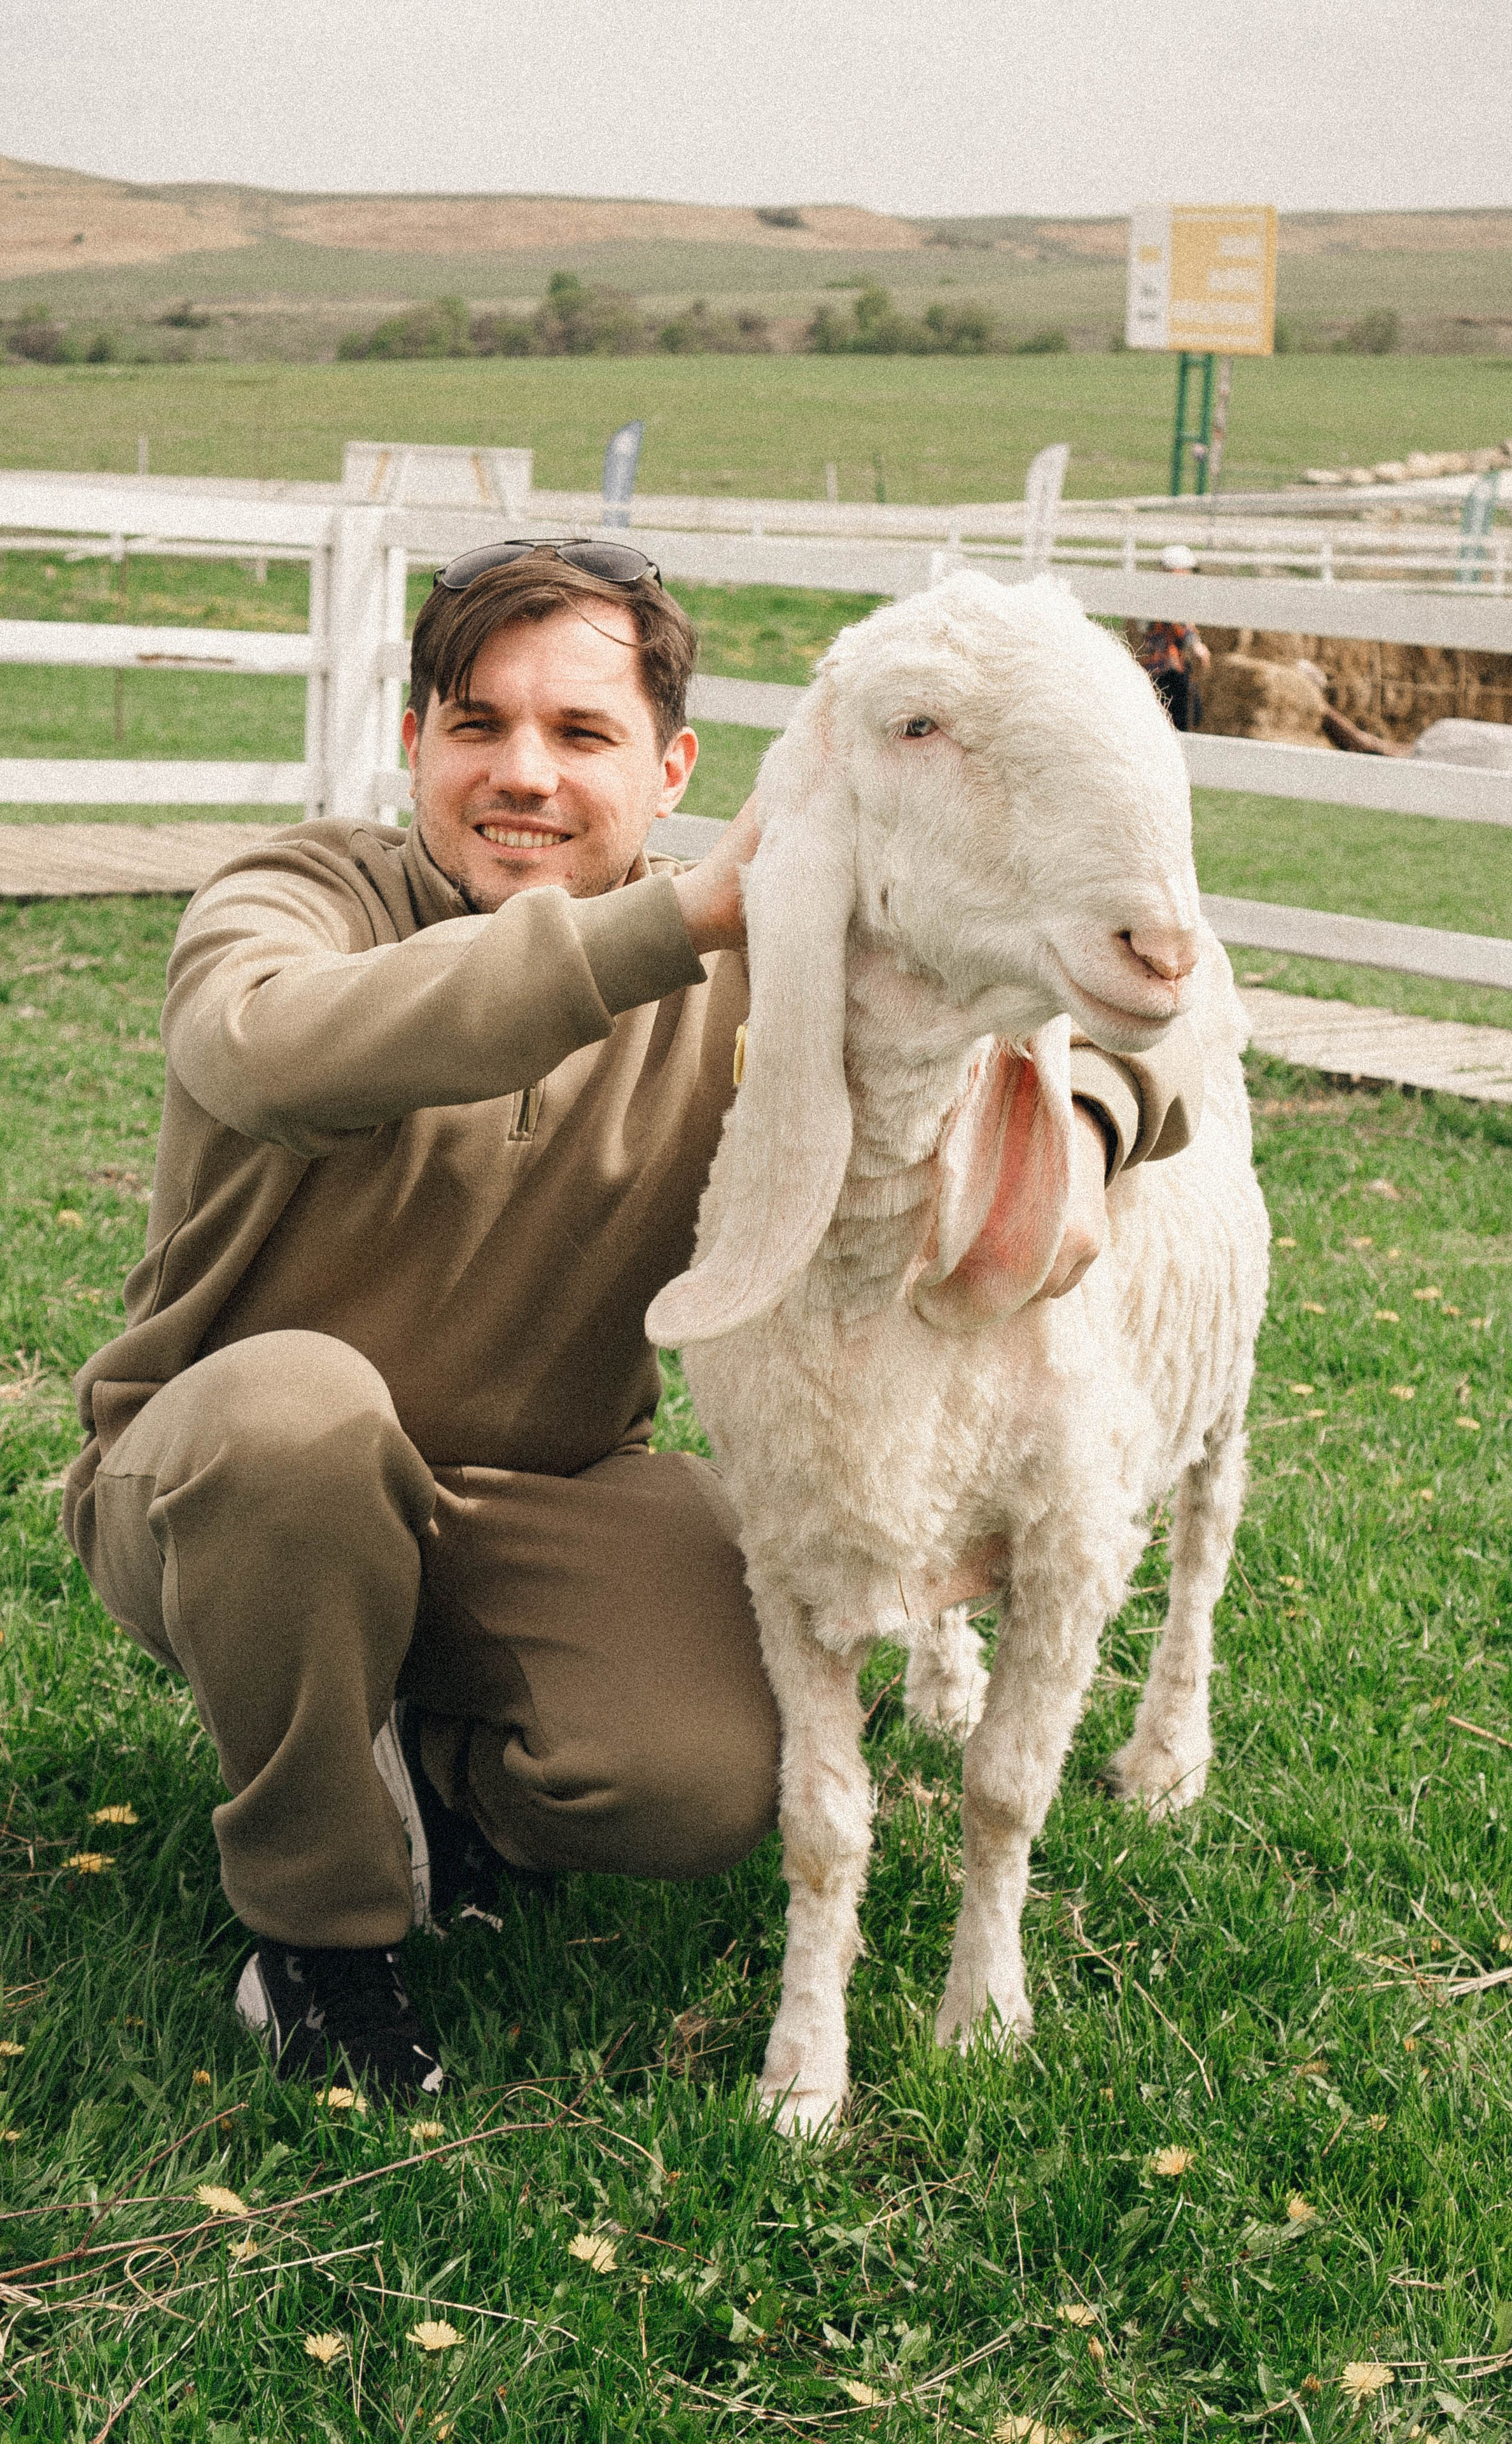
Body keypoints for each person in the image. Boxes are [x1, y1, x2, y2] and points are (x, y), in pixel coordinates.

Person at [63, 541, 1203, 2098]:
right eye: (478, 724)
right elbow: (265, 1048)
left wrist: (1081, 1099)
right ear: (414, 745)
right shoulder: (300, 895)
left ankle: (424, 1765)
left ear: (670, 767)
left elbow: (1083, 995)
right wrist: (659, 935)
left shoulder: (754, 949)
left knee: (705, 1773)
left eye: (580, 734)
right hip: (228, 1484)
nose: (521, 772)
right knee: (295, 1422)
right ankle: (320, 1933)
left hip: (542, 1489)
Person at [1133, 543, 1212, 732]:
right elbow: (1181, 629)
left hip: (1160, 669)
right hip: (1165, 669)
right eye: (1188, 571)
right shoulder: (1165, 596)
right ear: (1178, 571)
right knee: (1180, 716)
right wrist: (1196, 646)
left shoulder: (1159, 595)